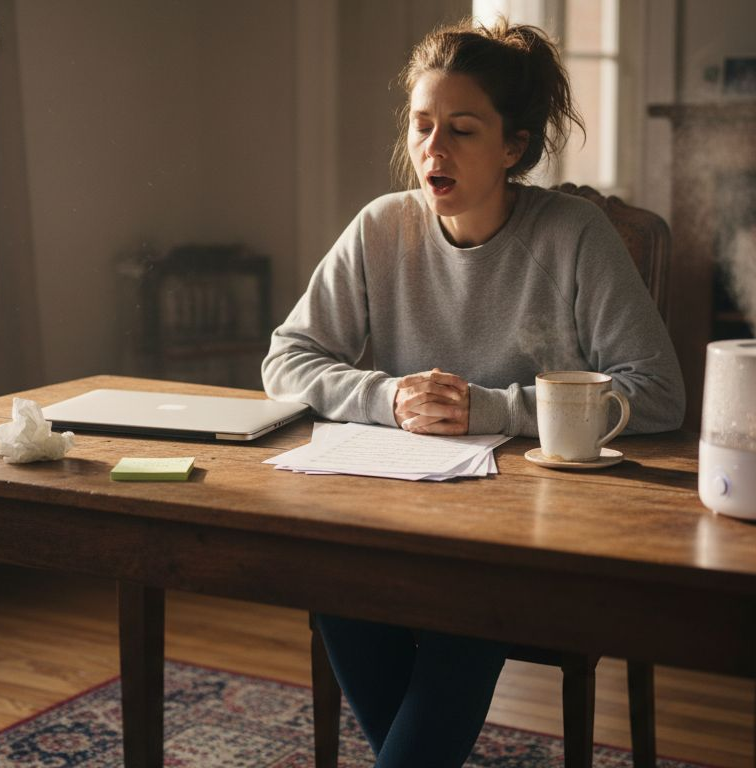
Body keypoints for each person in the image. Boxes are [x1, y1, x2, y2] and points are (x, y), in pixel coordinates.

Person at [261, 17, 684, 767]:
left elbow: (656, 394)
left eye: (460, 129)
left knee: (472, 592)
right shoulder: (380, 229)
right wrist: (387, 397)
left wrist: (490, 408)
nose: (433, 148)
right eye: (422, 126)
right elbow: (287, 358)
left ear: (512, 148)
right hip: (402, 513)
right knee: (328, 571)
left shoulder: (575, 234)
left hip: (529, 535)